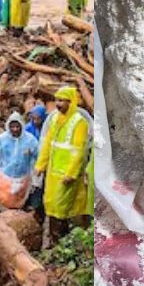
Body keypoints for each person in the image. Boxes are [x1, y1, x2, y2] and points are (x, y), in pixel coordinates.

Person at [34, 87, 89, 236]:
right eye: (56, 100)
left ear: (70, 102)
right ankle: (54, 237)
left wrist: (71, 173)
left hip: (67, 173)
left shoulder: (79, 122)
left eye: (61, 101)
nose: (57, 104)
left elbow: (79, 151)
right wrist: (40, 165)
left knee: (62, 205)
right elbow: (47, 144)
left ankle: (63, 236)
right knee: (51, 203)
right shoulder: (55, 119)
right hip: (53, 172)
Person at [0, 112, 40, 210]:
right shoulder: (2, 139)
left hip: (22, 177)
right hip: (3, 175)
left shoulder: (30, 140)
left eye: (17, 127)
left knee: (17, 202)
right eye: (12, 127)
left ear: (22, 126)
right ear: (8, 127)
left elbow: (38, 160)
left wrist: (36, 181)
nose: (15, 129)